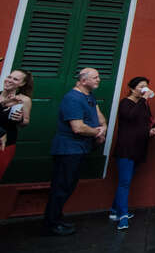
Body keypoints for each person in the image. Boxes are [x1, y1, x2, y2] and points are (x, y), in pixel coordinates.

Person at [44, 68, 107, 236]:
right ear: (83, 80)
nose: (99, 80)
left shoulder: (89, 96)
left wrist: (103, 127)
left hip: (80, 149)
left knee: (68, 185)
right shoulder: (72, 98)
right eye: (95, 77)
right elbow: (77, 127)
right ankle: (51, 224)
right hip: (68, 150)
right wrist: (97, 133)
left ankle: (56, 219)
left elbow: (99, 116)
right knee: (61, 187)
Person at [110, 77, 155, 230]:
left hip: (139, 147)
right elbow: (129, 116)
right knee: (124, 182)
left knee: (128, 179)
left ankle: (114, 210)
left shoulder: (144, 105)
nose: (144, 89)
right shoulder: (125, 103)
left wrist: (151, 128)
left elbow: (146, 120)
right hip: (126, 148)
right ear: (132, 88)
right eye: (141, 86)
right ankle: (123, 216)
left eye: (146, 86)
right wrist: (143, 99)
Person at [0, 69, 33, 181]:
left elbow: (26, 122)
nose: (9, 80)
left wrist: (20, 119)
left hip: (6, 145)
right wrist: (4, 103)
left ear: (22, 84)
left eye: (15, 79)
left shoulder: (24, 100)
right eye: (9, 77)